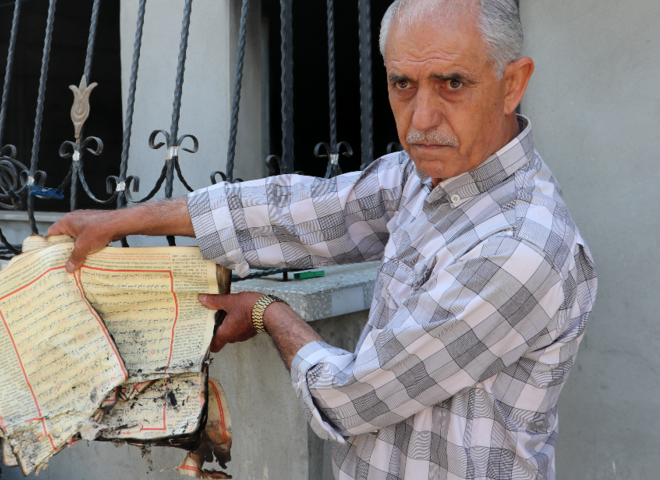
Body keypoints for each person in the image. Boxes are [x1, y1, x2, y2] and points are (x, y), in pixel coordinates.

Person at [49, 0, 597, 478]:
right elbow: (297, 212)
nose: (422, 118)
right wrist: (122, 221)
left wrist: (269, 313)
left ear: (513, 84)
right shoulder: (427, 176)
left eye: (452, 83)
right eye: (403, 84)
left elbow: (352, 396)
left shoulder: (517, 246)